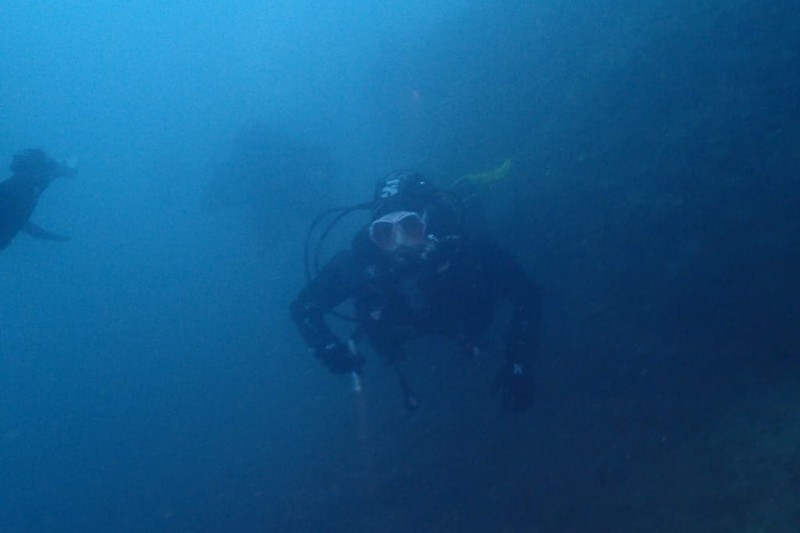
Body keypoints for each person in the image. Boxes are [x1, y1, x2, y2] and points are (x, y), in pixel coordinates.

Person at [290, 170, 541, 412]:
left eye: (410, 227)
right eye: (385, 233)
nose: (399, 244)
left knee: (484, 228)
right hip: (419, 325)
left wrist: (519, 360)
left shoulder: (468, 251)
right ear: (373, 235)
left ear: (427, 224)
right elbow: (303, 308)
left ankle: (467, 189)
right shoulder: (359, 265)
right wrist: (328, 349)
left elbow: (527, 294)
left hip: (463, 312)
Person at [0, 149, 77, 251]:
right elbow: (16, 219)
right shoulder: (27, 186)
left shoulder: (24, 185)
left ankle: (54, 166)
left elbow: (16, 219)